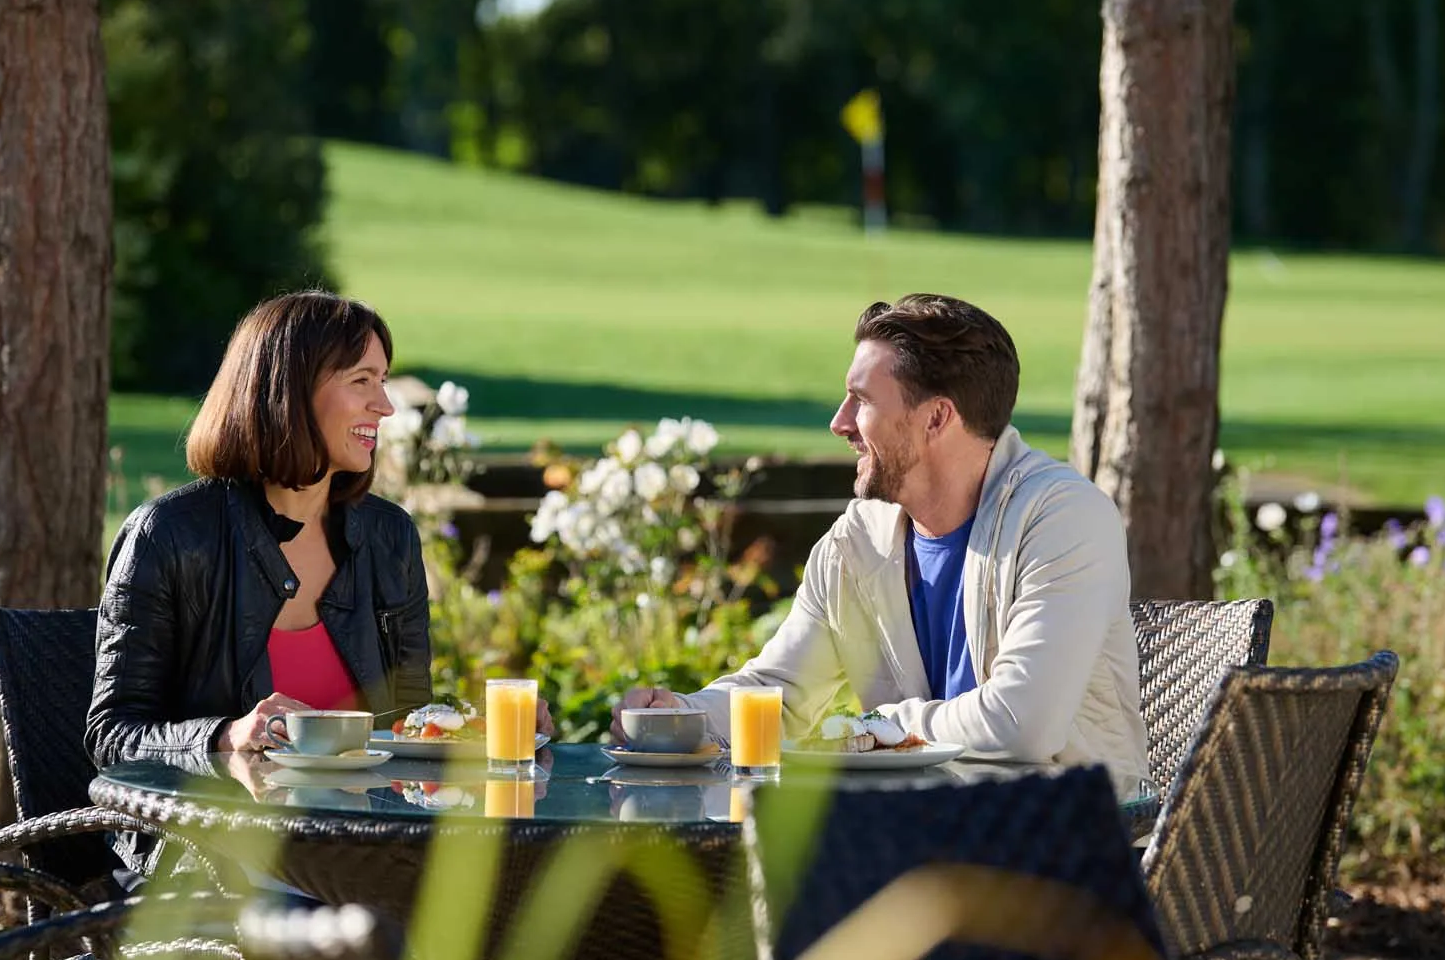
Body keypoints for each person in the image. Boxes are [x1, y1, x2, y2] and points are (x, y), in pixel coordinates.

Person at [612, 293, 1148, 784]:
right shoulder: (858, 542)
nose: (839, 423)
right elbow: (780, 693)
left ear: (937, 417)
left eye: (861, 400)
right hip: (915, 845)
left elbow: (1020, 723)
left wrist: (881, 726)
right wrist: (682, 716)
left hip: (1070, 848)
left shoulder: (1061, 519)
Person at [88, 290, 548, 764]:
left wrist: (476, 727)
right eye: (362, 381)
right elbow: (112, 735)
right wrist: (227, 735)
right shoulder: (169, 536)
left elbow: (406, 718)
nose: (385, 406)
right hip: (214, 828)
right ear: (290, 392)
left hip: (360, 829)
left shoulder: (389, 538)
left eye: (383, 380)